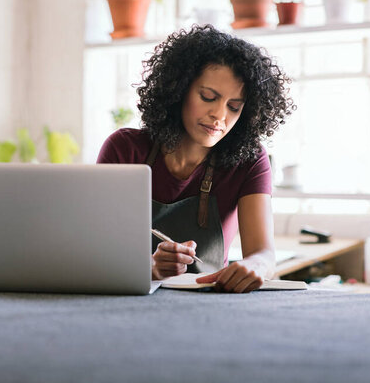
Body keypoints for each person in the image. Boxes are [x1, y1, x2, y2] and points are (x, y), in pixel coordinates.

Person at [97, 25, 295, 293]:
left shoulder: (250, 160)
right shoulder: (125, 149)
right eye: (208, 97)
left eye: (234, 107)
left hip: (212, 303)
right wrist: (150, 267)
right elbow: (100, 251)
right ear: (178, 89)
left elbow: (263, 253)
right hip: (133, 300)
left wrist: (256, 266)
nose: (219, 116)